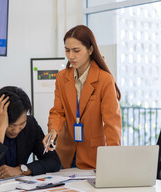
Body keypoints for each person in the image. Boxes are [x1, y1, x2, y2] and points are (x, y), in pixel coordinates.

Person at [43, 25, 122, 169]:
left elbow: (112, 124)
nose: (71, 56)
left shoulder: (104, 80)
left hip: (93, 156)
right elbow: (57, 112)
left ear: (90, 50)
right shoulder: (62, 77)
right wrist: (53, 130)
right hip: (66, 154)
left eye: (76, 51)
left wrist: (113, 161)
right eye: (67, 50)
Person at [0, 86, 61, 181]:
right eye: (10, 125)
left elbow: (54, 161)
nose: (16, 130)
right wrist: (1, 127)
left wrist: (21, 170)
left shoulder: (30, 125)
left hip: (17, 190)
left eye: (21, 124)